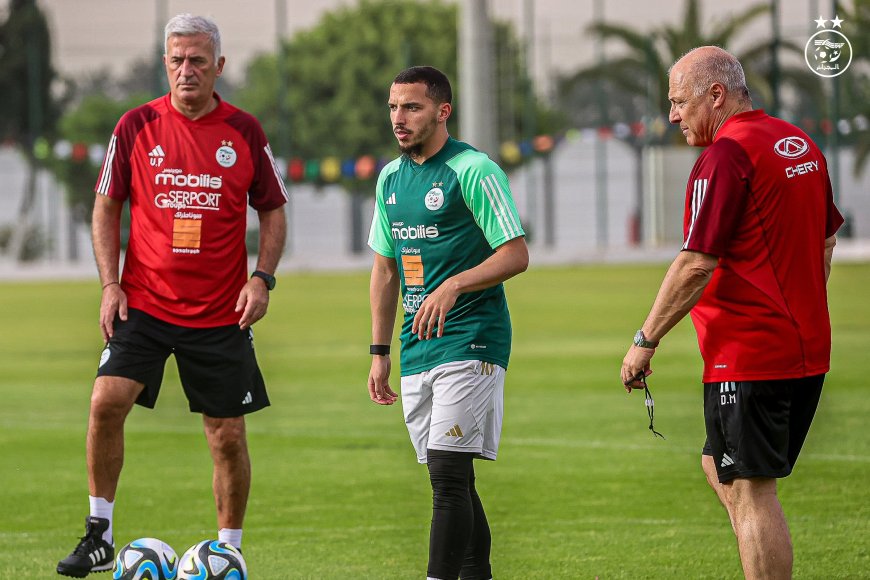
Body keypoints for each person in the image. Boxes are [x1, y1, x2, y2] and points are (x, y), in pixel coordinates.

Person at [57, 14, 288, 578]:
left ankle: (228, 548)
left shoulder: (245, 132)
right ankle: (98, 534)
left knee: (227, 435)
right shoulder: (135, 126)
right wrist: (110, 283)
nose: (188, 70)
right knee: (104, 402)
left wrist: (262, 278)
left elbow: (274, 208)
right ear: (166, 63)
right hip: (144, 303)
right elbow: (106, 205)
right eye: (178, 60)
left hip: (219, 312)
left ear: (219, 67)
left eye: (199, 61)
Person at [621, 46, 843, 579]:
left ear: (715, 95)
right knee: (720, 469)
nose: (672, 115)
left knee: (751, 490)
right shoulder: (798, 144)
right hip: (802, 348)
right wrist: (799, 302)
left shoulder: (725, 155)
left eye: (679, 102)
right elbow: (827, 237)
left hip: (751, 356)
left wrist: (644, 339)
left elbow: (696, 262)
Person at [367, 66, 528, 580]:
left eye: (411, 107)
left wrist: (456, 283)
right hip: (418, 345)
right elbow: (385, 268)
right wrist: (378, 351)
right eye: (393, 107)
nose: (399, 118)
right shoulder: (390, 179)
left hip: (473, 339)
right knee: (453, 477)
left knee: (447, 476)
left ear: (443, 111)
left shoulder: (474, 170)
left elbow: (516, 254)